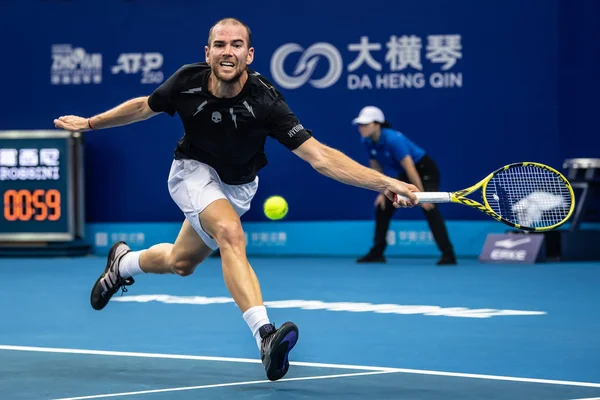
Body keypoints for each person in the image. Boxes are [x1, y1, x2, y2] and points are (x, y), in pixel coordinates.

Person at [53, 18, 419, 382]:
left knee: (182, 262)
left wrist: (385, 182)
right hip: (192, 171)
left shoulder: (267, 102)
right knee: (231, 234)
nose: (228, 51)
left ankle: (123, 263)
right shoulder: (186, 81)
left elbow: (319, 157)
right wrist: (90, 123)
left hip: (238, 186)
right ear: (208, 52)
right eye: (220, 44)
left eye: (237, 45)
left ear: (249, 54)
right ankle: (265, 335)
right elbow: (142, 107)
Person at [352, 106, 457, 266]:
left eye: (365, 124)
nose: (361, 127)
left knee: (429, 207)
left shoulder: (393, 139)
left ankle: (448, 254)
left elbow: (410, 167)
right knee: (382, 207)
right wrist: (381, 192)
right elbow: (377, 169)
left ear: (378, 124)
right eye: (360, 124)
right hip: (405, 174)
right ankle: (377, 253)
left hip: (423, 170)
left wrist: (421, 195)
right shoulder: (366, 142)